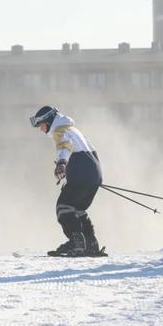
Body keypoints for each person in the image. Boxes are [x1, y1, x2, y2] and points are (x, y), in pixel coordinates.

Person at [31, 106, 105, 257]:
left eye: (42, 125)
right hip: (93, 174)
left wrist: (61, 163)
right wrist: (92, 177)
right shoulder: (73, 130)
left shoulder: (60, 130)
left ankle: (77, 242)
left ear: (49, 121)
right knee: (77, 210)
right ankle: (90, 243)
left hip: (82, 175)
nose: (41, 129)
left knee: (63, 207)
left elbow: (64, 146)